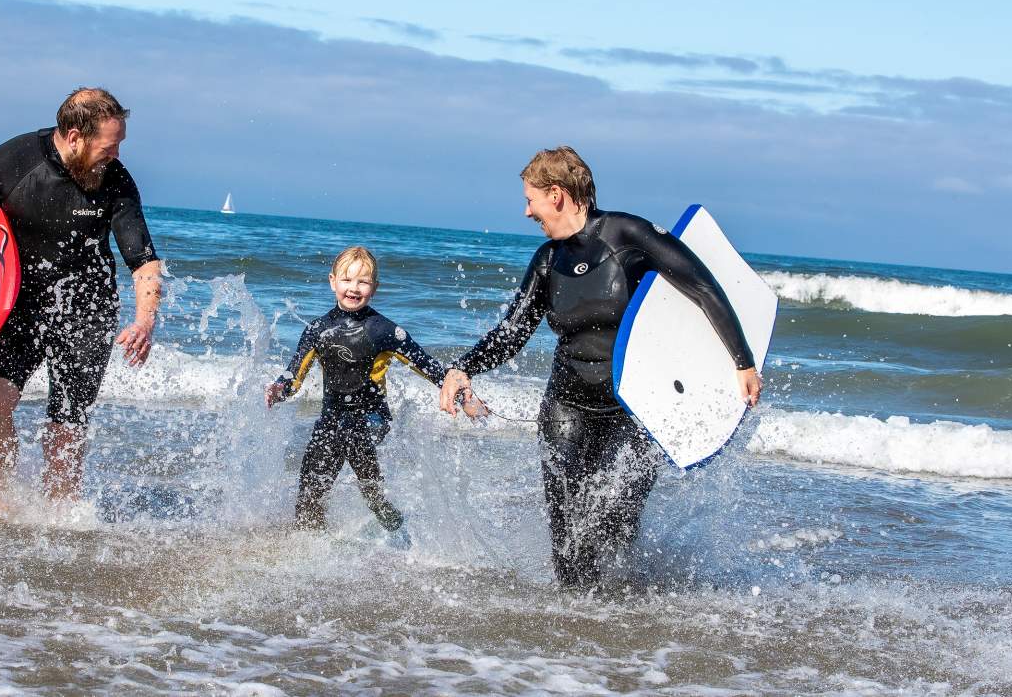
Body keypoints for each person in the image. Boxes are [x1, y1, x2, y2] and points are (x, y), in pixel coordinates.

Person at [438, 146, 762, 588]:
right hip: (566, 406)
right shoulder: (548, 260)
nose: (526, 210)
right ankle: (577, 632)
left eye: (530, 199)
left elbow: (703, 287)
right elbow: (511, 332)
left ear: (556, 195)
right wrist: (463, 368)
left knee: (614, 523)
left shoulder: (628, 234)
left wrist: (741, 361)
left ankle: (617, 617)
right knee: (567, 531)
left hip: (634, 409)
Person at [0, 87, 163, 504]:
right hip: (15, 306)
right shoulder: (12, 162)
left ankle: (57, 521)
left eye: (119, 144)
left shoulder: (116, 181)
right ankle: (4, 495)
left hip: (86, 310)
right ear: (73, 136)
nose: (116, 155)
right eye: (109, 145)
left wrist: (145, 320)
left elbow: (143, 260)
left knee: (65, 432)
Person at [265, 246, 482, 547]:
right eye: (347, 280)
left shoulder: (384, 331)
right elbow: (294, 374)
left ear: (374, 288)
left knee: (348, 438)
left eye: (363, 282)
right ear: (333, 282)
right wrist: (278, 389)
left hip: (372, 418)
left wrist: (463, 397)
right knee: (311, 484)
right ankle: (313, 544)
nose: (354, 288)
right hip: (333, 419)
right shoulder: (318, 330)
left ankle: (388, 517)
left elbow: (429, 367)